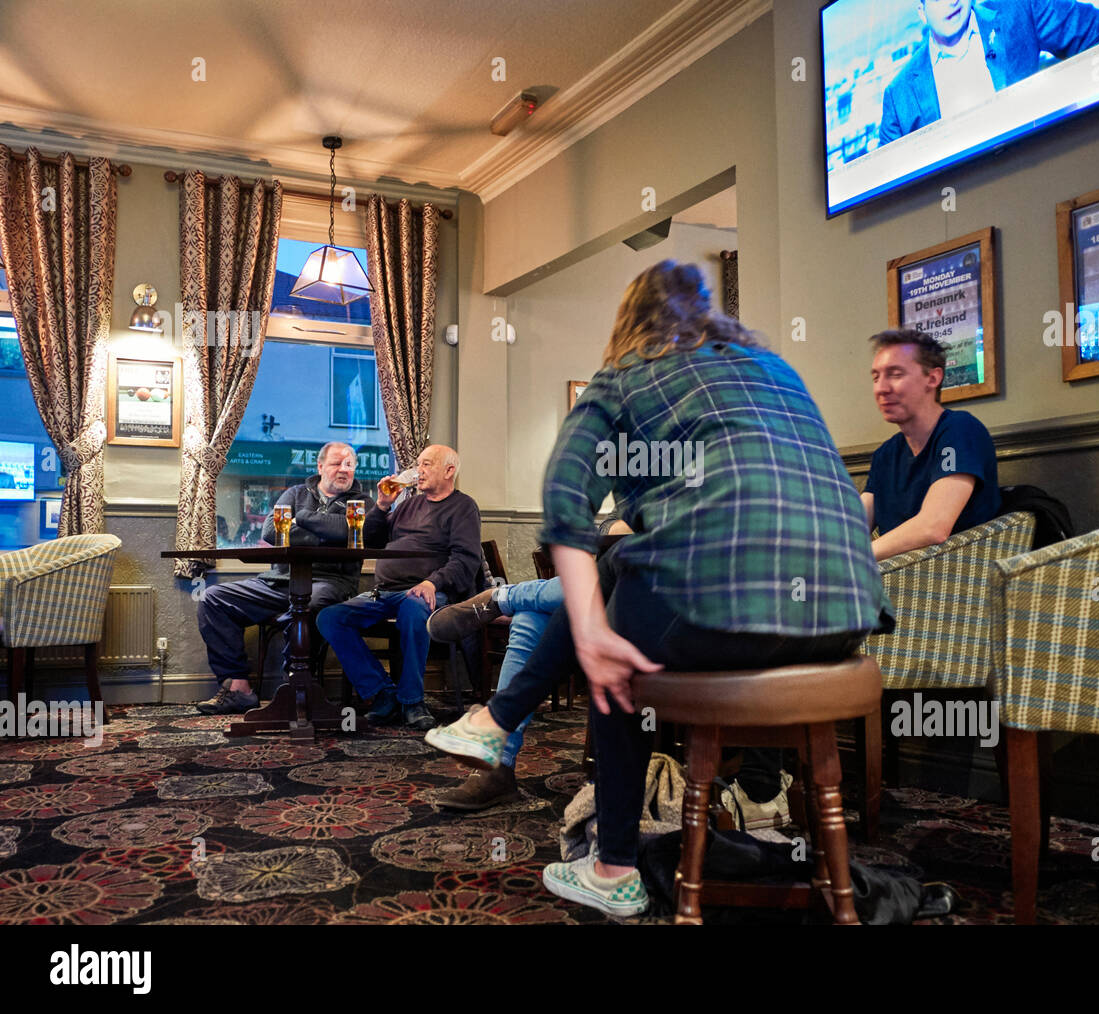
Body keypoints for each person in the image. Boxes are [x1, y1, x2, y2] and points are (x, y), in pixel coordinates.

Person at [427, 260, 894, 917]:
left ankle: (610, 861)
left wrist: (590, 632)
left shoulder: (625, 376)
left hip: (717, 613)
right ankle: (495, 718)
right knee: (622, 572)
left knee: (612, 650)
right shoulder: (776, 371)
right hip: (847, 616)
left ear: (628, 322)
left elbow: (565, 499)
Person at [425, 517, 634, 812]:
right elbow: (615, 528)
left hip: (678, 614)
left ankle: (502, 597)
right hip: (616, 609)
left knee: (596, 576)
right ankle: (497, 767)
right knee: (533, 616)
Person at [195, 443, 372, 715]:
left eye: (350, 464)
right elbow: (270, 532)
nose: (344, 470)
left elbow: (349, 535)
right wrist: (327, 535)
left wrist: (302, 525)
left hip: (330, 582)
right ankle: (238, 688)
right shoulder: (295, 493)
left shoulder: (362, 503)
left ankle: (294, 689)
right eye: (337, 463)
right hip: (279, 581)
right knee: (212, 598)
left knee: (307, 605)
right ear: (320, 466)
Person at [316, 445, 481, 732]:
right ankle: (383, 693)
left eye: (427, 464)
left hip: (428, 591)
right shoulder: (407, 504)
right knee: (329, 618)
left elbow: (466, 560)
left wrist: (432, 582)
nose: (419, 471)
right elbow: (374, 542)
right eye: (418, 464)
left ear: (449, 470)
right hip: (384, 591)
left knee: (414, 608)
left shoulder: (463, 506)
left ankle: (412, 701)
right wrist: (381, 506)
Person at [878, 0, 1099, 146]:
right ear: (921, 12)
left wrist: (1059, 108)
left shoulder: (1019, 10)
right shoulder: (898, 94)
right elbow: (887, 190)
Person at [860, 328, 999, 560]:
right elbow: (851, 528)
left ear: (933, 378)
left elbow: (933, 527)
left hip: (953, 582)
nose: (881, 388)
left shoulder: (959, 430)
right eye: (876, 377)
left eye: (895, 374)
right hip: (894, 581)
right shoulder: (886, 454)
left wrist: (852, 559)